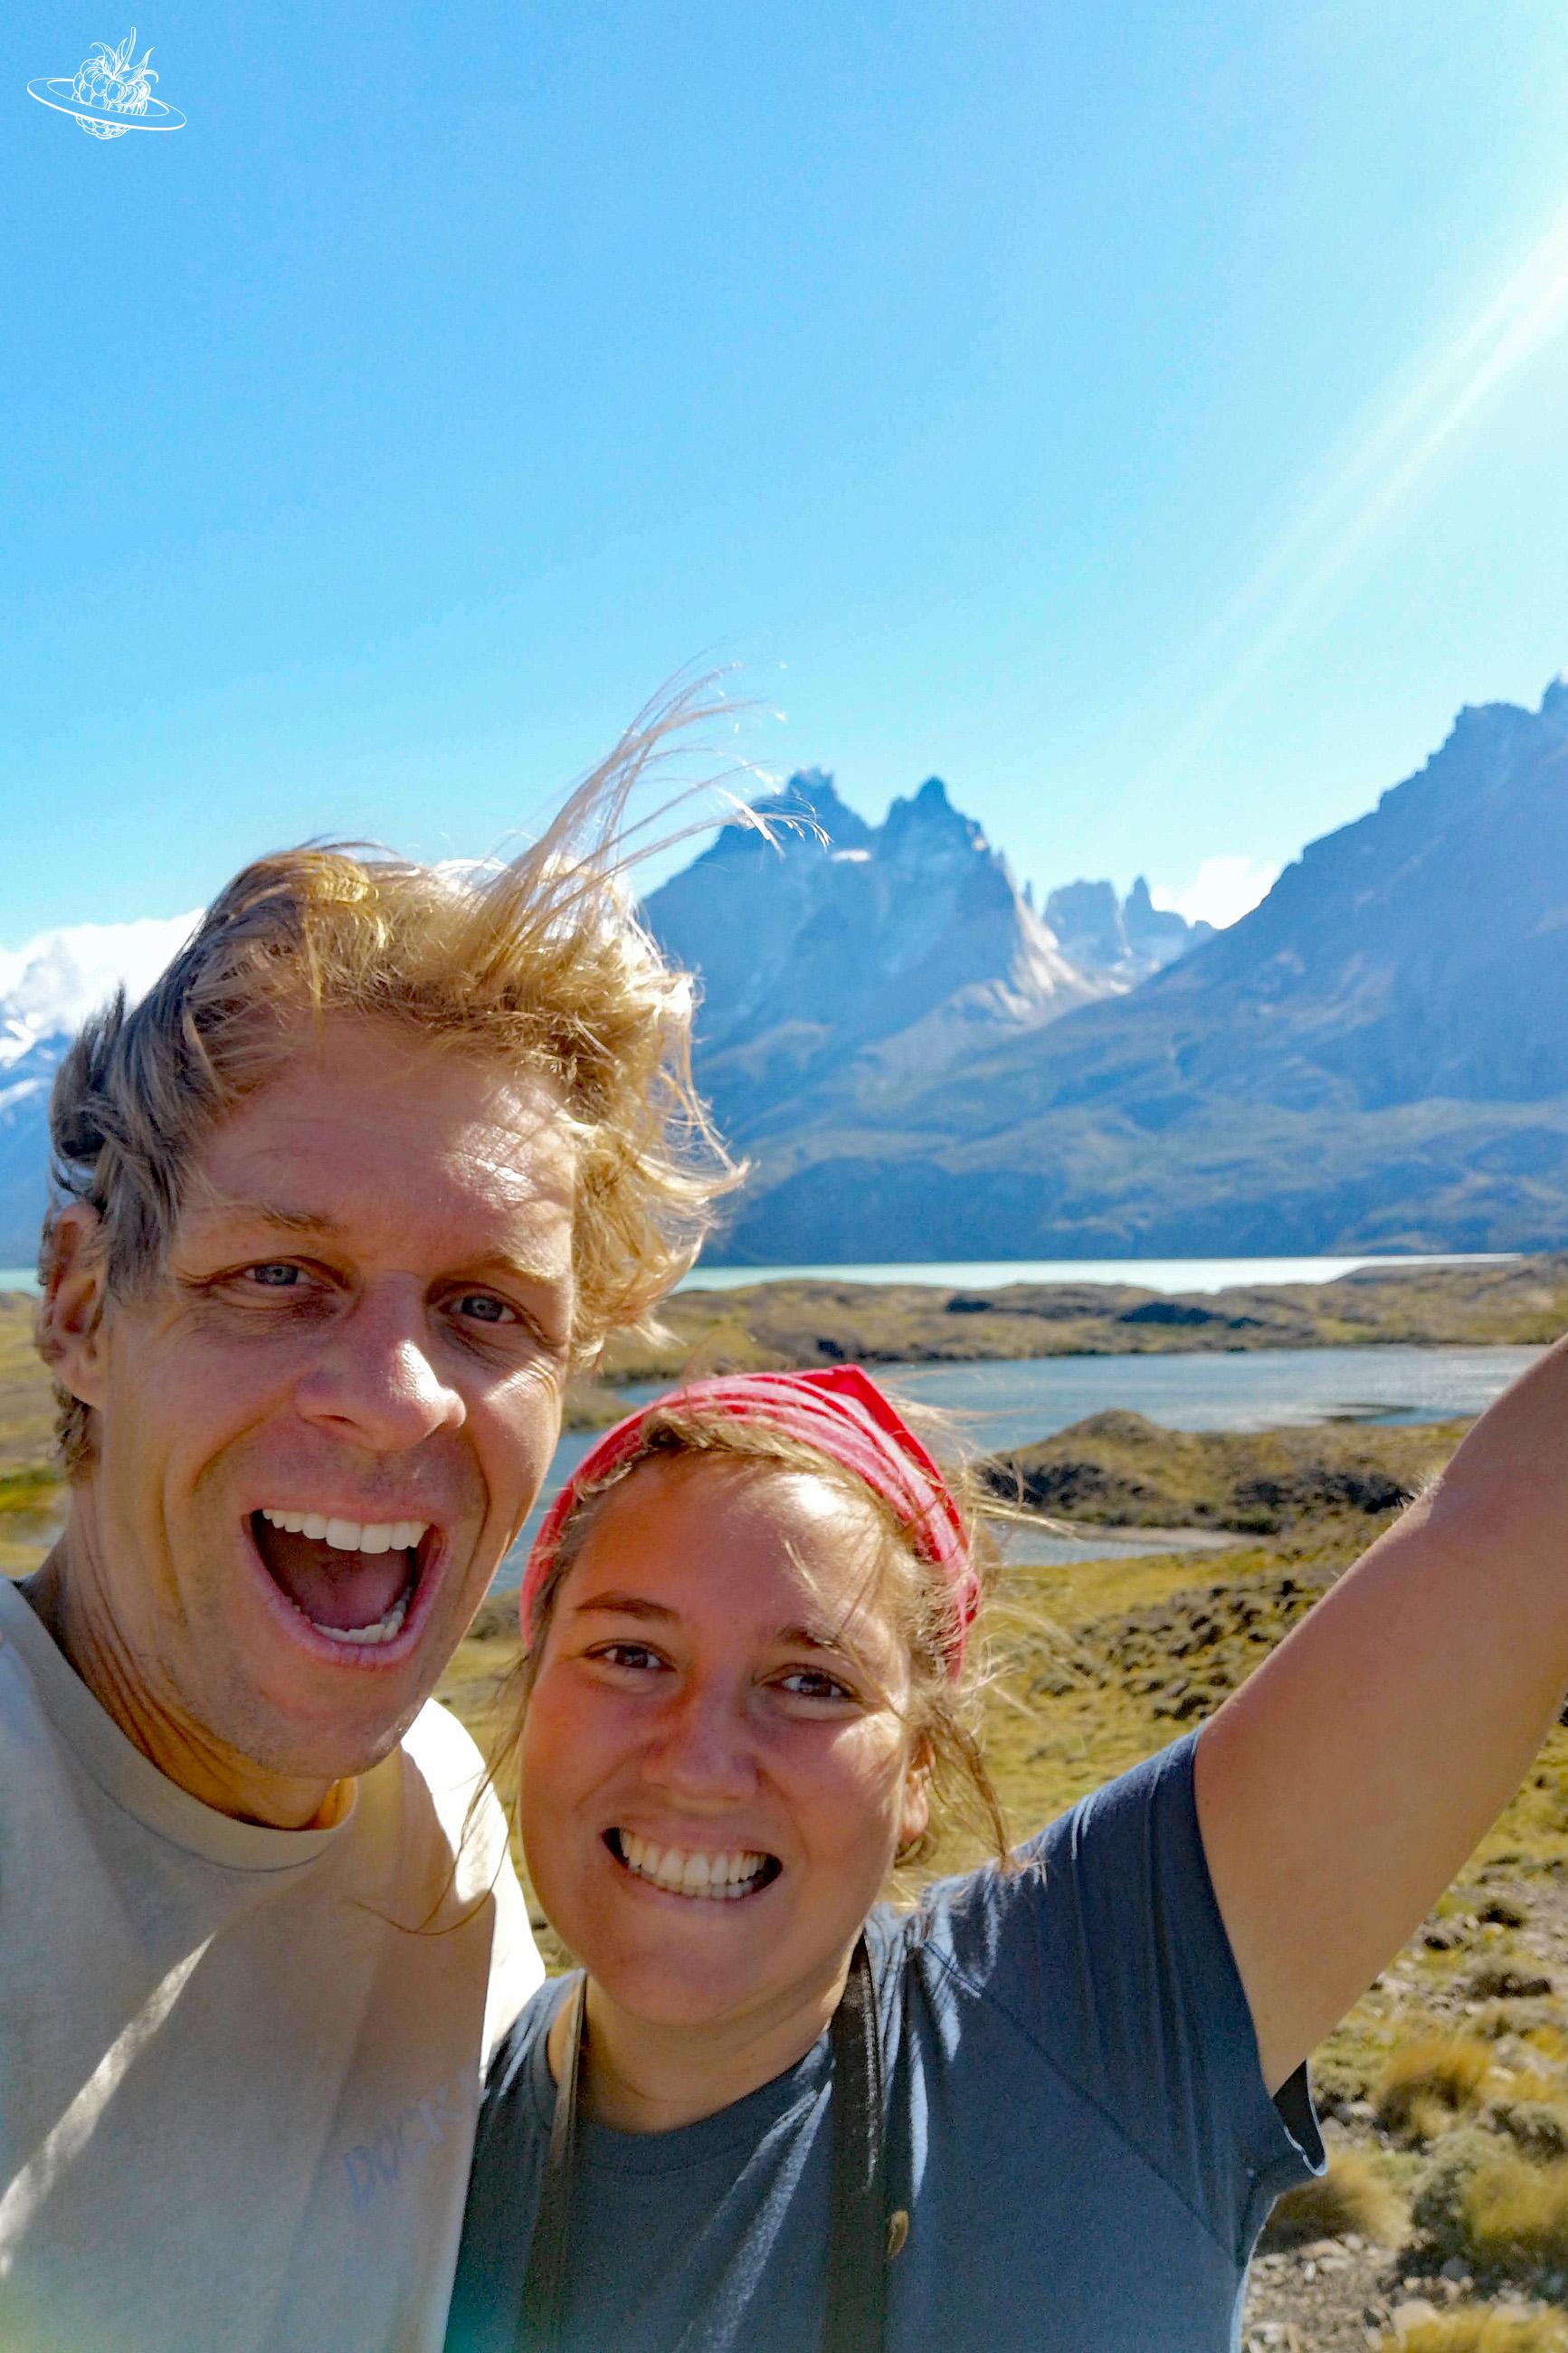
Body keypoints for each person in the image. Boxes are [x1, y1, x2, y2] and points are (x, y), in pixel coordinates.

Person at [0, 696, 745, 2353]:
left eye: (488, 1310)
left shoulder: (441, 1819)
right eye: (281, 1276)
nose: (399, 1394)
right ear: (76, 1312)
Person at [448, 1356, 1568, 2351]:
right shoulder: (409, 2126)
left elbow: (1515, 1522)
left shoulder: (1092, 2011)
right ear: (530, 1681)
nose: (699, 1760)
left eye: (811, 1682)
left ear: (920, 1770)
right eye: (631, 1652)